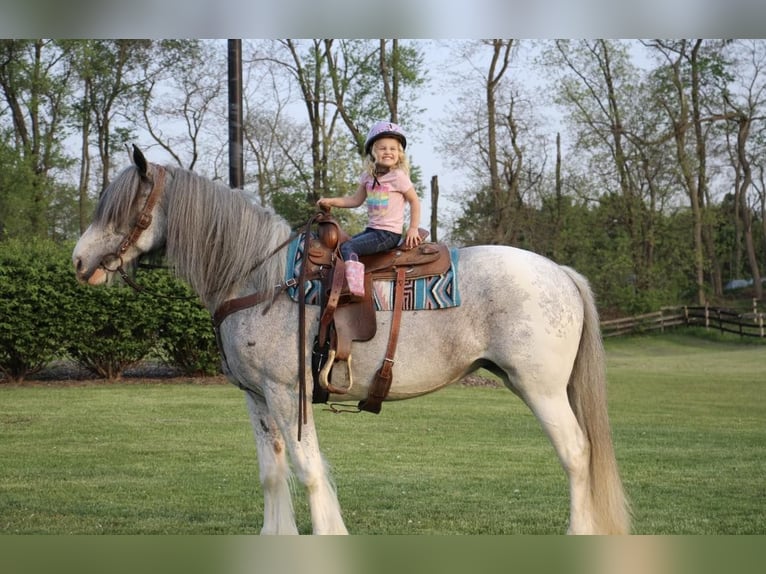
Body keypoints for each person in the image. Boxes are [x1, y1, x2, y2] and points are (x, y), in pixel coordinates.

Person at [317, 120, 423, 265]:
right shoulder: (367, 177)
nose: (388, 152)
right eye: (382, 148)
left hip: (388, 234)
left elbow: (414, 201)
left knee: (348, 247)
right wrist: (331, 201)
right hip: (372, 230)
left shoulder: (398, 176)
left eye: (393, 149)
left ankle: (354, 286)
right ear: (373, 152)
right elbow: (355, 200)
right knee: (342, 246)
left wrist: (413, 228)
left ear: (399, 153)